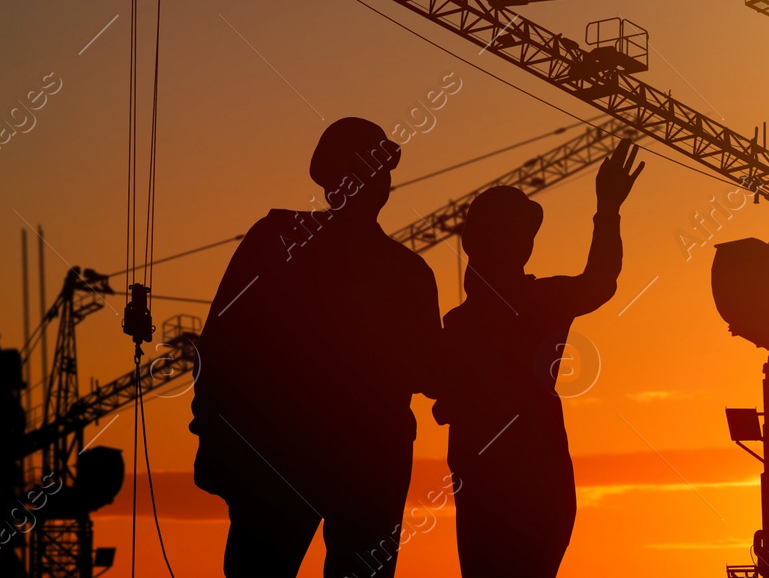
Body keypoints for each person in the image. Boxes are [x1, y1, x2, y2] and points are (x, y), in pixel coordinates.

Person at [190, 117, 442, 578]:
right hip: (363, 464)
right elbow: (431, 373)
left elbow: (220, 341)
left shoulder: (275, 240)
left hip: (281, 456)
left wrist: (211, 429)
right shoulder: (407, 273)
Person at [433, 137, 644, 577]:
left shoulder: (463, 324)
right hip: (529, 485)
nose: (527, 246)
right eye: (521, 236)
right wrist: (607, 209)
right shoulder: (538, 302)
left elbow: (432, 383)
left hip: (510, 487)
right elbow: (601, 279)